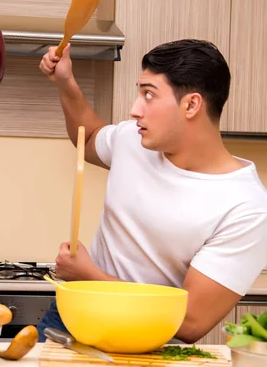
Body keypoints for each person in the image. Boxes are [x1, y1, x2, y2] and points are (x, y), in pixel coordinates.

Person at [36, 39, 267, 343]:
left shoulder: (246, 206)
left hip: (145, 343)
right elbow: (90, 137)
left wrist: (89, 275)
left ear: (192, 104)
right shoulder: (133, 140)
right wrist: (66, 82)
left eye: (149, 95)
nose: (134, 110)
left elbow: (191, 322)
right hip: (69, 320)